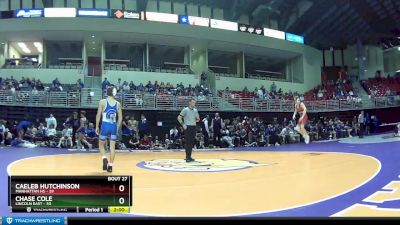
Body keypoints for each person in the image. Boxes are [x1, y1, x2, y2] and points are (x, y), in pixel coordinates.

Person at [96, 86, 123, 173]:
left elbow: (98, 115)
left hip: (105, 125)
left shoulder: (102, 102)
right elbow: (120, 118)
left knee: (101, 145)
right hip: (113, 126)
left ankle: (104, 158)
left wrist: (97, 126)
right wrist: (117, 127)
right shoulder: (118, 104)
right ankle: (110, 166)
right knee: (112, 148)